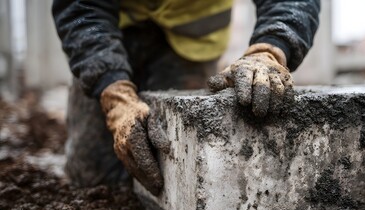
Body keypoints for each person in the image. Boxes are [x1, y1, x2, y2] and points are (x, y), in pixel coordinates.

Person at [52, 0, 320, 195]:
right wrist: (112, 93)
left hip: (191, 44)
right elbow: (79, 8)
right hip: (106, 32)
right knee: (92, 180)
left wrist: (271, 48)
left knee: (180, 174)